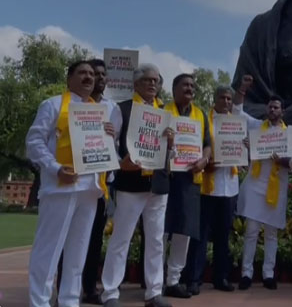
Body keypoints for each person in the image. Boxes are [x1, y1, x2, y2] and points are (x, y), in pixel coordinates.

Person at [26, 60, 114, 307]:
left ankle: (69, 301)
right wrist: (55, 169)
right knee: (49, 251)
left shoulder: (99, 111)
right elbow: (33, 143)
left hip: (89, 189)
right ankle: (39, 302)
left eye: (91, 74)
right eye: (82, 73)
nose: (88, 77)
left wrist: (109, 136)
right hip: (59, 188)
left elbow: (106, 151)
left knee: (77, 254)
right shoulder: (53, 105)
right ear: (69, 79)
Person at [101, 63, 173, 307]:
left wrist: (171, 142)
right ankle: (110, 292)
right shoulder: (122, 109)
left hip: (159, 184)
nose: (153, 84)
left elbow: (169, 150)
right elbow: (109, 141)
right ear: (136, 84)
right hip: (131, 183)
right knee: (122, 237)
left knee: (155, 240)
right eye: (147, 80)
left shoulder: (165, 111)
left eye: (156, 81)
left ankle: (154, 292)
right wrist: (120, 164)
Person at [235, 77, 292, 290]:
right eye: (269, 106)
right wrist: (242, 90)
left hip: (276, 187)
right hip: (254, 184)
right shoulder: (257, 127)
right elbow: (238, 113)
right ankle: (246, 274)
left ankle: (269, 274)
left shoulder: (289, 135)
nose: (272, 109)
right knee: (251, 231)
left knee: (271, 233)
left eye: (276, 107)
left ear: (282, 111)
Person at [185, 85, 240, 294]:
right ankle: (194, 279)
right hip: (207, 187)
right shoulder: (203, 120)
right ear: (215, 99)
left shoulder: (237, 124)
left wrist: (244, 147)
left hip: (229, 187)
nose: (226, 102)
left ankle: (221, 277)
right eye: (223, 98)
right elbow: (192, 148)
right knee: (200, 236)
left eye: (229, 99)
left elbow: (244, 152)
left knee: (223, 236)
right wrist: (207, 164)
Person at [162, 74, 212, 298]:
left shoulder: (200, 114)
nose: (190, 89)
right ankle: (154, 280)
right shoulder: (163, 110)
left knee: (184, 233)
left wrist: (204, 160)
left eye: (193, 85)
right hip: (165, 178)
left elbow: (208, 145)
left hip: (190, 180)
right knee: (160, 232)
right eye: (185, 85)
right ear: (174, 90)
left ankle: (173, 280)